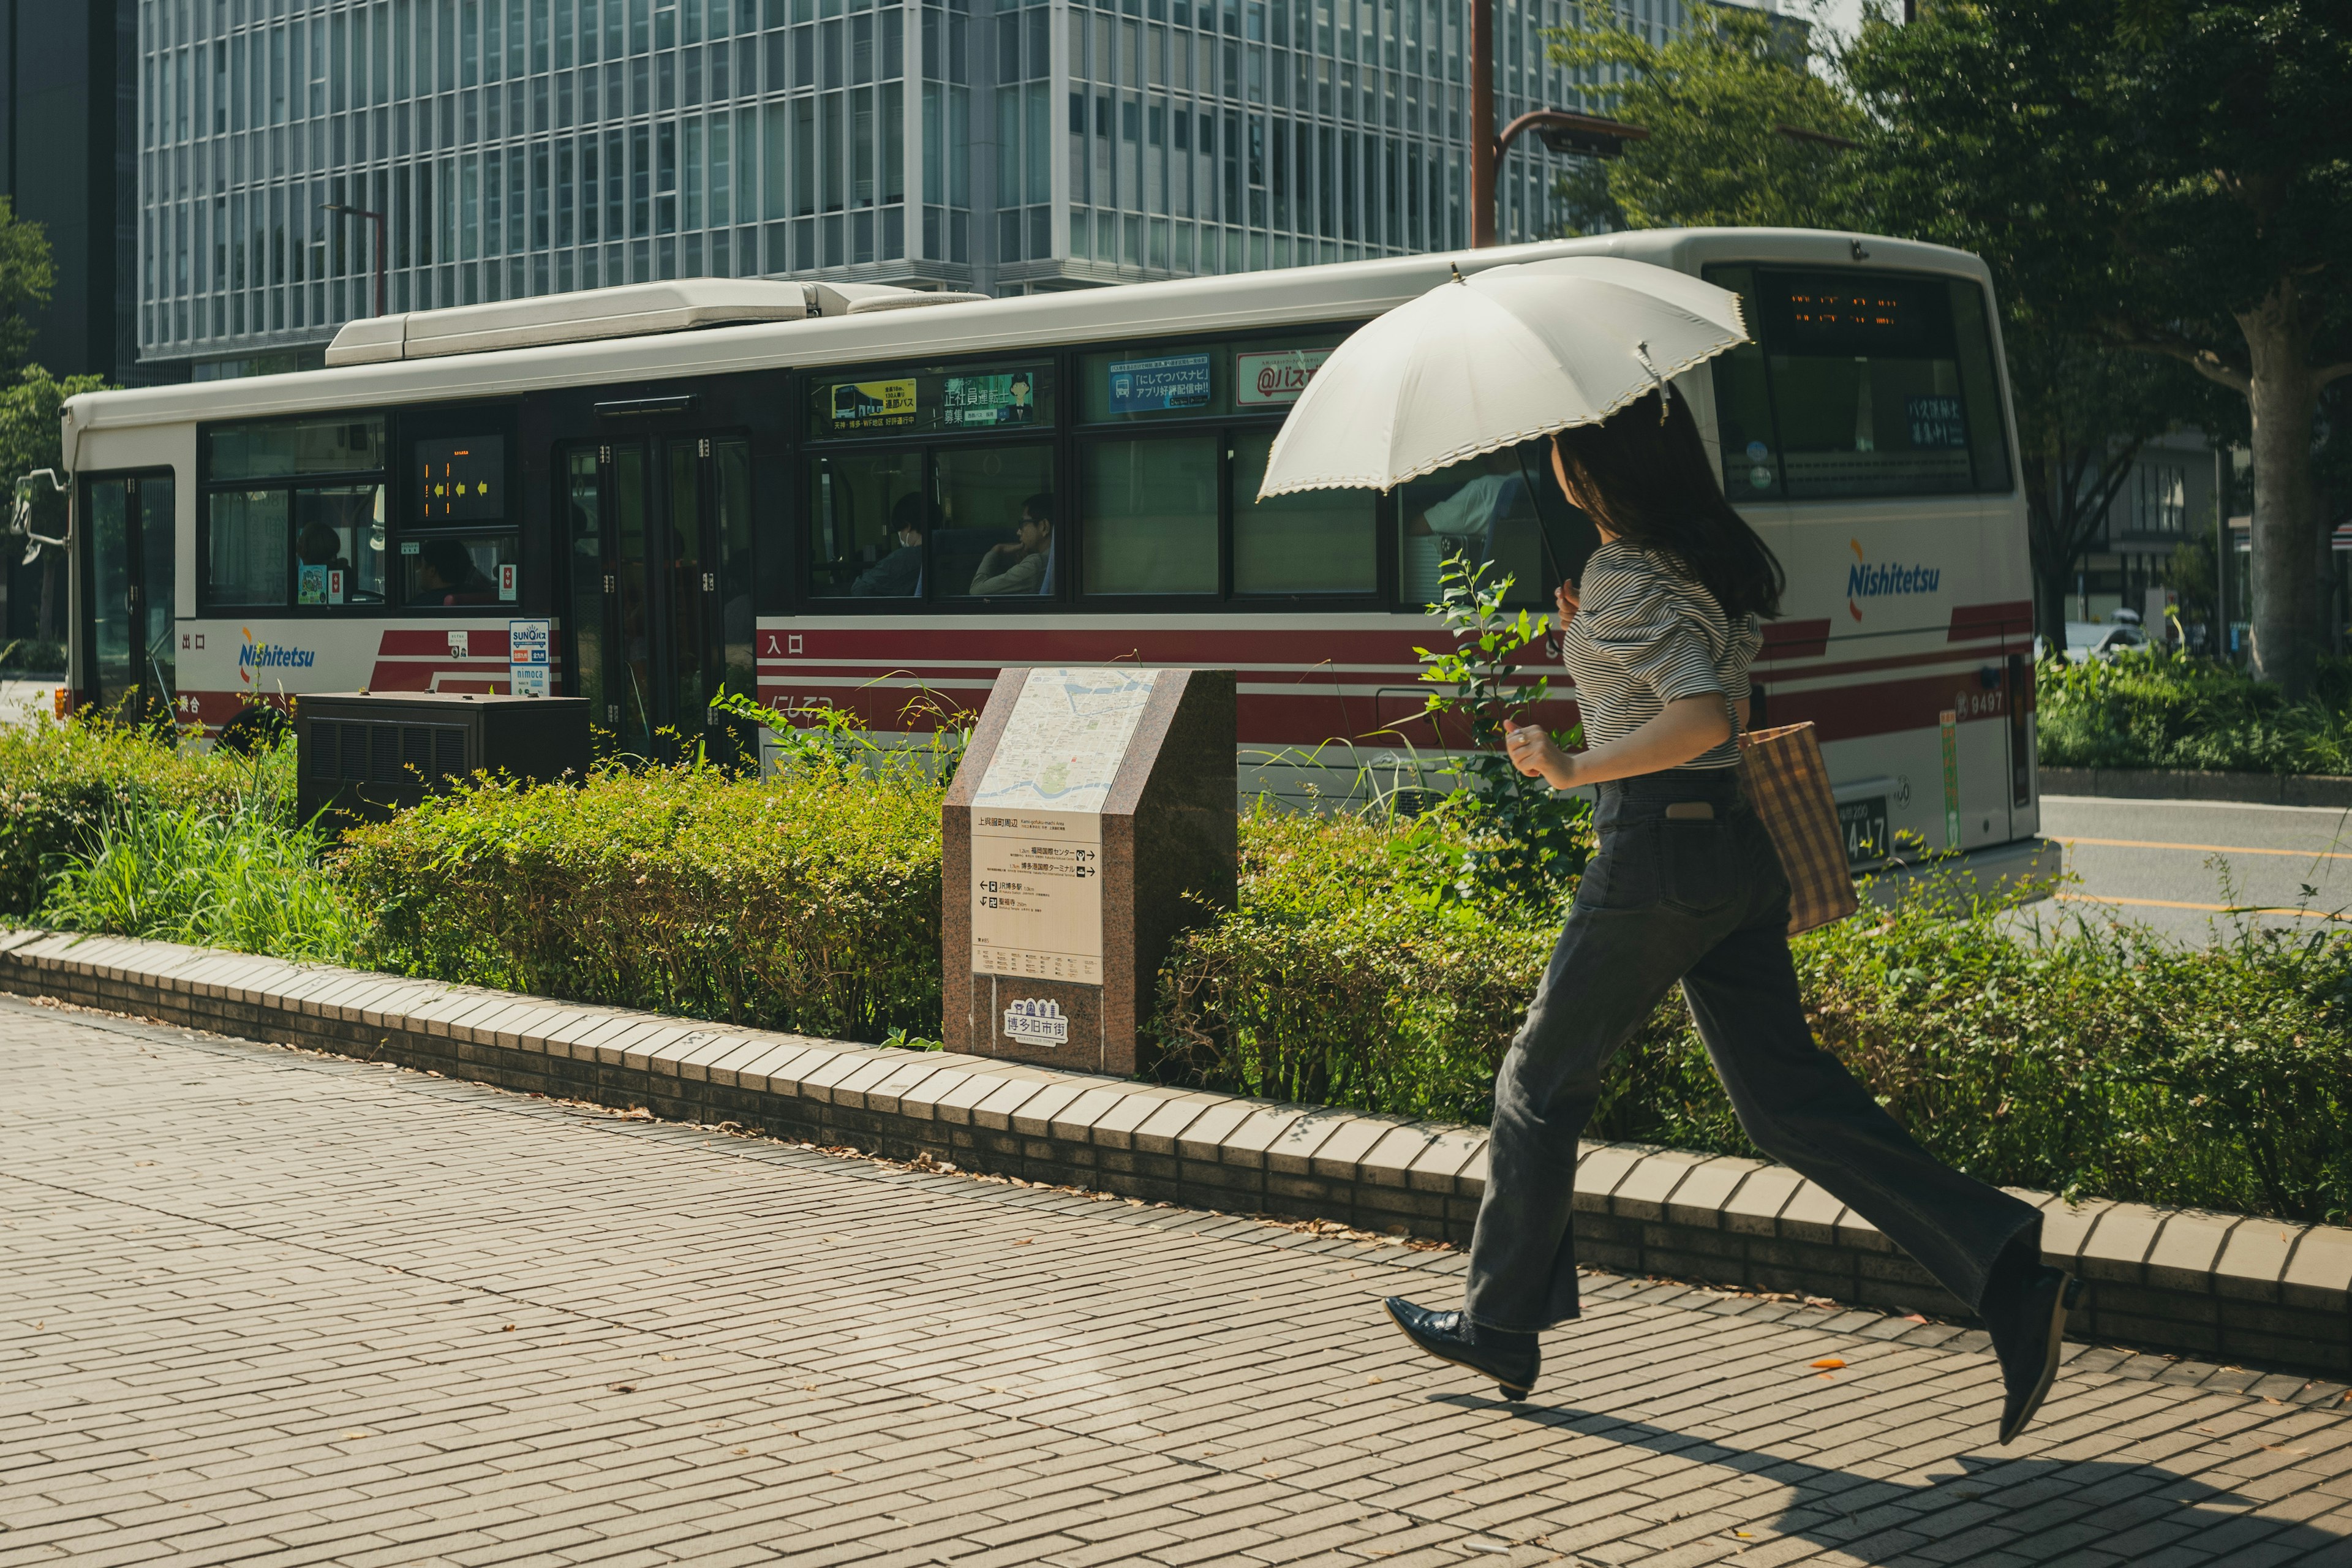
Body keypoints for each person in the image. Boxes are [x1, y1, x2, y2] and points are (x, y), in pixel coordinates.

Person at [1382, 388, 2078, 1448]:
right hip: (1737, 852)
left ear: (1591, 474)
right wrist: (1592, 643)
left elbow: (1704, 717)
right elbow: (1697, 688)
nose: (1559, 467)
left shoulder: (1627, 571)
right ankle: (2007, 1269)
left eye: (1568, 453)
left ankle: (1500, 1323)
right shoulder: (1700, 558)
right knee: (1786, 1105)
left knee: (1536, 1082)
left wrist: (1567, 765)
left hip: (1658, 855)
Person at [970, 493, 1054, 595]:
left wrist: (996, 550)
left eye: (1023, 524)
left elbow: (977, 590)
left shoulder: (1035, 565)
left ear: (1044, 527)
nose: (1019, 532)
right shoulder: (1050, 561)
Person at [851, 494, 926, 597]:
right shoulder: (945, 553)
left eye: (899, 530)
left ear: (908, 526)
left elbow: (861, 589)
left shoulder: (904, 559)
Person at [408, 537, 496, 607]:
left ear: (432, 570)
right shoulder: (478, 596)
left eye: (422, 566)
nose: (420, 571)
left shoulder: (420, 606)